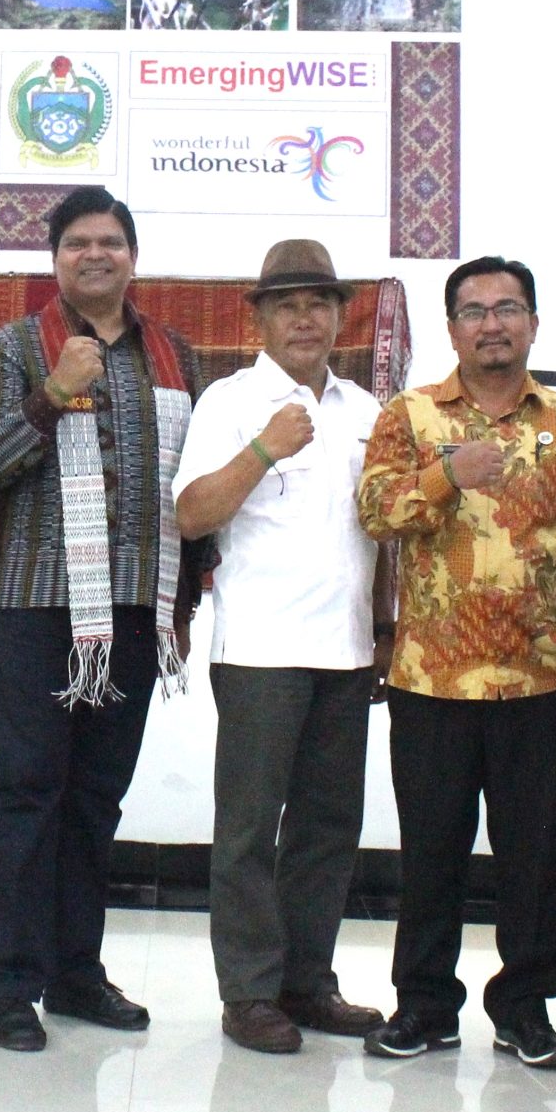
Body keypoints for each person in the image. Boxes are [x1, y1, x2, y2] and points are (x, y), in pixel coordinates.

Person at [357, 255, 556, 1070]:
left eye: (508, 309)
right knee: (431, 852)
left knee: (536, 856)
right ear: (452, 328)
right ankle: (425, 1005)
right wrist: (446, 474)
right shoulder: (412, 414)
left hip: (544, 682)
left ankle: (527, 1009)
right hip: (432, 680)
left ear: (533, 323)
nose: (492, 323)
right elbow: (374, 513)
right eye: (474, 310)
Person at [0, 187, 206, 1052]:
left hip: (139, 609)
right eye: (77, 243)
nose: (94, 255)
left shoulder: (173, 354)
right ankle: (10, 988)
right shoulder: (11, 350)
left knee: (96, 800)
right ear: (56, 259)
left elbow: (192, 486)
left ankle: (76, 974)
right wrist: (51, 393)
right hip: (36, 605)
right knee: (30, 791)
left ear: (132, 257)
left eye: (109, 242)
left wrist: (187, 598)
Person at [172, 239, 392, 1055]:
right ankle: (251, 994)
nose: (305, 318)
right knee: (249, 830)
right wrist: (265, 446)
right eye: (287, 304)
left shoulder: (368, 411)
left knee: (329, 829)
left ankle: (309, 981)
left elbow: (385, 534)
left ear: (340, 316)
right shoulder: (229, 401)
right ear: (258, 317)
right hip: (261, 650)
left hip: (348, 650)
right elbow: (191, 514)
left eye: (320, 303)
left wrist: (387, 627)